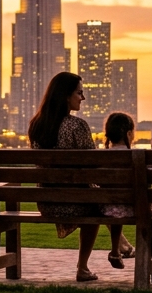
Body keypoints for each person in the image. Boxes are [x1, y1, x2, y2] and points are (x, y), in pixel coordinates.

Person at [28, 72, 102, 282]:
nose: (83, 98)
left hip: (47, 202)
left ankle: (120, 245)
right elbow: (94, 164)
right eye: (79, 93)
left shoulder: (36, 125)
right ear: (65, 96)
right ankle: (83, 267)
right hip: (76, 203)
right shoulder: (77, 125)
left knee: (94, 199)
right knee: (98, 204)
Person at [98, 112, 137, 269]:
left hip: (106, 208)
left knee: (114, 208)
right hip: (133, 207)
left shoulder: (101, 156)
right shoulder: (134, 155)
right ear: (128, 133)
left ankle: (116, 250)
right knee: (119, 207)